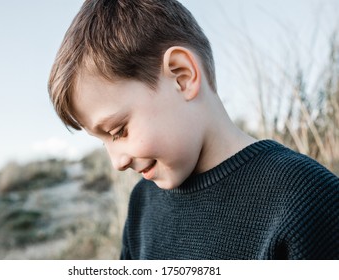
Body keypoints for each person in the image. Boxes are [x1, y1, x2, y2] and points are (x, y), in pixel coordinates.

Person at [48, 0, 339, 259]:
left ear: (181, 76)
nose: (117, 162)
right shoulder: (143, 205)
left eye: (118, 131)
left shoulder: (308, 199)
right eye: (102, 142)